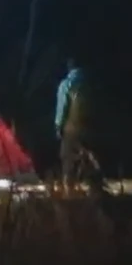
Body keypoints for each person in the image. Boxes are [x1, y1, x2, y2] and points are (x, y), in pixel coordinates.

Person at [53, 59, 96, 193]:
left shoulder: (67, 84)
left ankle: (69, 188)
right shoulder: (90, 84)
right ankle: (94, 186)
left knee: (68, 157)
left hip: (72, 127)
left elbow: (62, 107)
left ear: (69, 68)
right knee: (89, 157)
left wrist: (58, 125)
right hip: (90, 126)